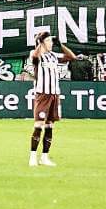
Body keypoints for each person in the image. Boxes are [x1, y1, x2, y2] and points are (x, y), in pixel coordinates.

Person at [29, 33, 77, 167]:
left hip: (54, 94)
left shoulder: (53, 55)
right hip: (42, 94)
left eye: (51, 40)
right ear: (42, 42)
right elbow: (34, 57)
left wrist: (61, 44)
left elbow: (71, 57)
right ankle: (33, 156)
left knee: (50, 125)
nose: (51, 43)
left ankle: (44, 157)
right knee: (38, 124)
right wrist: (40, 42)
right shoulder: (36, 54)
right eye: (48, 40)